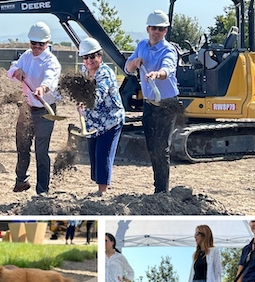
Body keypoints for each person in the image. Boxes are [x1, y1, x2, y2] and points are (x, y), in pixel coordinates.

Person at [124, 10, 180, 194]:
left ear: (165, 31)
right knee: (152, 148)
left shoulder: (169, 49)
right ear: (148, 29)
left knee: (161, 148)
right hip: (149, 104)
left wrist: (158, 74)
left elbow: (168, 68)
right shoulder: (141, 46)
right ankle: (158, 188)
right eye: (154, 28)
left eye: (161, 29)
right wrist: (136, 61)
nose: (157, 31)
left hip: (166, 104)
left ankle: (161, 192)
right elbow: (128, 68)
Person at [8, 22, 61, 196]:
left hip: (45, 111)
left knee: (41, 151)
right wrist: (16, 71)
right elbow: (12, 68)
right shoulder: (27, 55)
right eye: (34, 43)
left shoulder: (51, 61)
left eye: (41, 44)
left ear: (47, 43)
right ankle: (22, 180)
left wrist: (42, 88)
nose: (37, 47)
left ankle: (42, 190)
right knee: (22, 145)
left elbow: (50, 79)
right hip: (27, 108)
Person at [77, 38, 125, 194]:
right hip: (93, 122)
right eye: (85, 57)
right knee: (93, 154)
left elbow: (99, 95)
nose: (89, 60)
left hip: (110, 120)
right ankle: (98, 185)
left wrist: (86, 101)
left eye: (93, 56)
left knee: (102, 154)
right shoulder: (84, 72)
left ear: (100, 56)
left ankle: (102, 191)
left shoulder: (105, 74)